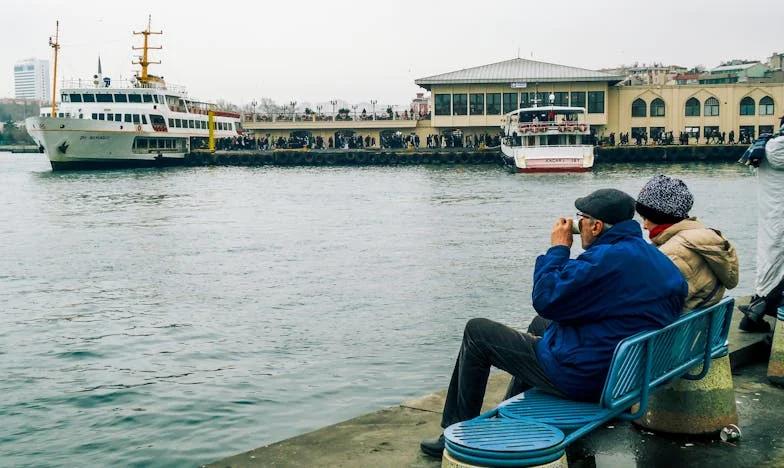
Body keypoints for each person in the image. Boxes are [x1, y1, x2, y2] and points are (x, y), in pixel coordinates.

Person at [420, 189, 687, 458]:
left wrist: (559, 248)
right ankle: (510, 411)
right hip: (628, 370)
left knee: (477, 332)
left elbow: (546, 297)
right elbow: (619, 304)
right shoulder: (654, 259)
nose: (576, 224)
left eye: (581, 218)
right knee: (541, 324)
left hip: (587, 376)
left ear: (595, 226)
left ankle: (456, 432)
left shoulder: (605, 259)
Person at [635, 175, 739, 312]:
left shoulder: (674, 252)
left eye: (647, 218)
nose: (644, 226)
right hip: (694, 329)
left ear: (661, 217)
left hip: (673, 332)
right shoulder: (700, 239)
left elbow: (648, 304)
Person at [738, 126, 784, 332]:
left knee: (769, 261)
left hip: (770, 216)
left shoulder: (765, 146)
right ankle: (761, 310)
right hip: (780, 216)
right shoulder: (780, 149)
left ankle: (753, 315)